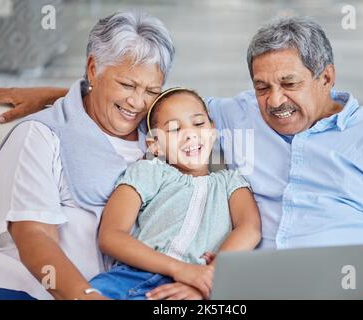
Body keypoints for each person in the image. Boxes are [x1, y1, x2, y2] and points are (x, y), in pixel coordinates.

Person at [0, 17, 363, 300]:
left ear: (327, 76)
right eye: (262, 86)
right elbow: (150, 103)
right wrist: (62, 95)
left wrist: (260, 277)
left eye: (289, 83)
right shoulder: (228, 118)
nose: (275, 101)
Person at [0, 11, 175, 300]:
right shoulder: (41, 135)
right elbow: (35, 236)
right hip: (22, 288)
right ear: (93, 69)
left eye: (151, 90)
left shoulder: (163, 139)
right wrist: (87, 296)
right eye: (127, 85)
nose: (136, 102)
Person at [88, 87, 261, 300]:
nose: (190, 134)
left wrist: (211, 276)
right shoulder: (149, 172)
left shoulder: (231, 182)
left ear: (213, 131)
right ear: (155, 146)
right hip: (130, 278)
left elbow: (250, 229)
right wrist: (180, 269)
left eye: (198, 124)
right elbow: (111, 236)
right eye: (174, 129)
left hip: (196, 287)